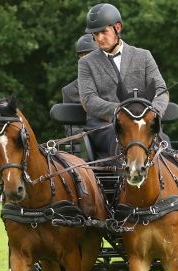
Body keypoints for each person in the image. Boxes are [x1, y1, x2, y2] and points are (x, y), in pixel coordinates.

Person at [78, 3, 169, 167]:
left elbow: (162, 91)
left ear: (117, 28)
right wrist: (120, 111)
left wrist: (151, 112)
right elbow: (88, 100)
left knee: (164, 141)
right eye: (95, 34)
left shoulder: (144, 56)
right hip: (105, 125)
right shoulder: (86, 63)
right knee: (118, 139)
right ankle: (124, 181)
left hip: (142, 122)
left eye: (104, 32)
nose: (99, 38)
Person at [62, 34, 98, 137]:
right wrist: (89, 134)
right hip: (88, 139)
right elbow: (70, 129)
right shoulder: (69, 91)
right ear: (79, 58)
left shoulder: (115, 83)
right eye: (85, 55)